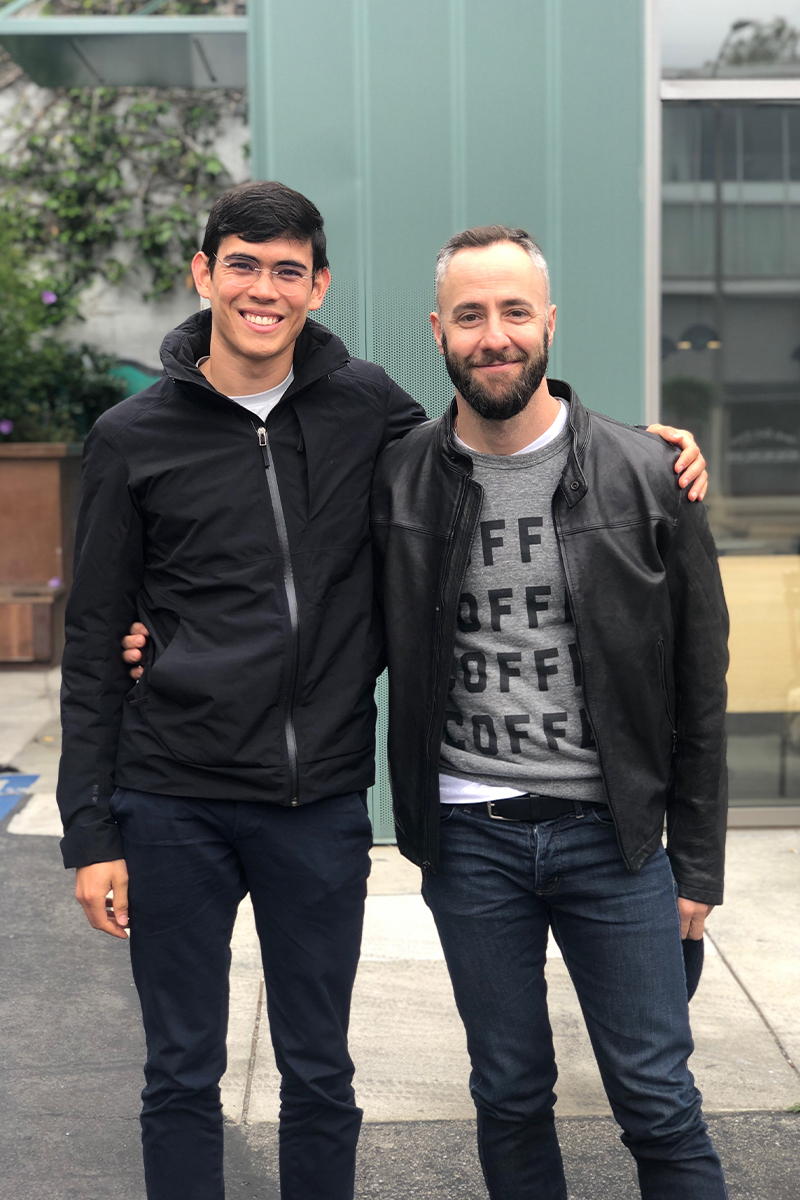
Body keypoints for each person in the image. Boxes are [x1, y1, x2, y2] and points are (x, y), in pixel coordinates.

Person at [60, 182, 706, 1200]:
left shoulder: (368, 409)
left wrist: (642, 449)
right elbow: (94, 637)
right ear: (203, 273)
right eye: (242, 264)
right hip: (172, 795)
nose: (262, 289)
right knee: (179, 1070)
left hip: (316, 797)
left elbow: (503, 423)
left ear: (317, 286)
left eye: (286, 270)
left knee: (320, 1071)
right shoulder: (131, 437)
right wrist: (90, 828)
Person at [370, 225, 729, 1200]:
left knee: (657, 1101)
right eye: (472, 315)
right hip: (469, 839)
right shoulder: (397, 476)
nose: (495, 336)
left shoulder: (645, 475)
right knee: (509, 1096)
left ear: (549, 323)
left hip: (614, 843)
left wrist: (694, 865)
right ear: (438, 329)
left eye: (514, 311)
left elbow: (698, 687)